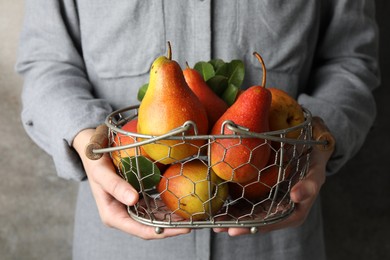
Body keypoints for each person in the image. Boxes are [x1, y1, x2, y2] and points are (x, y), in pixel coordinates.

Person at [16, 0, 380, 259]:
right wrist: (86, 140)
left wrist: (320, 138)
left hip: (278, 232)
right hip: (122, 244)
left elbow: (351, 61)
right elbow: (47, 62)